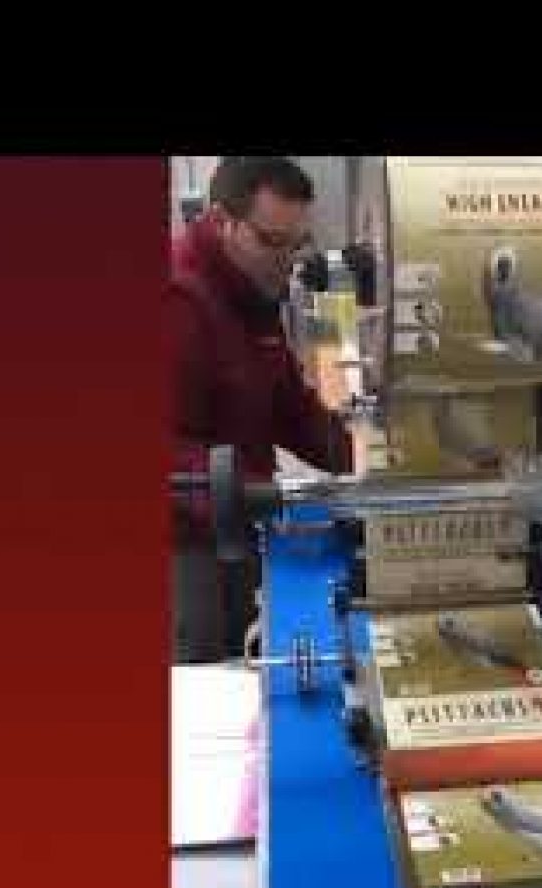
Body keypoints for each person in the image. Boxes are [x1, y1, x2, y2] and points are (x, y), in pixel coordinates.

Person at [171, 157, 352, 663]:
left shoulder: (253, 288)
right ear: (221, 221)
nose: (287, 261)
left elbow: (286, 407)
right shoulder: (179, 302)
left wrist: (364, 458)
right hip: (186, 541)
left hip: (241, 520)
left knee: (256, 657)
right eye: (272, 242)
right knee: (207, 678)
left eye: (297, 244)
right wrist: (256, 496)